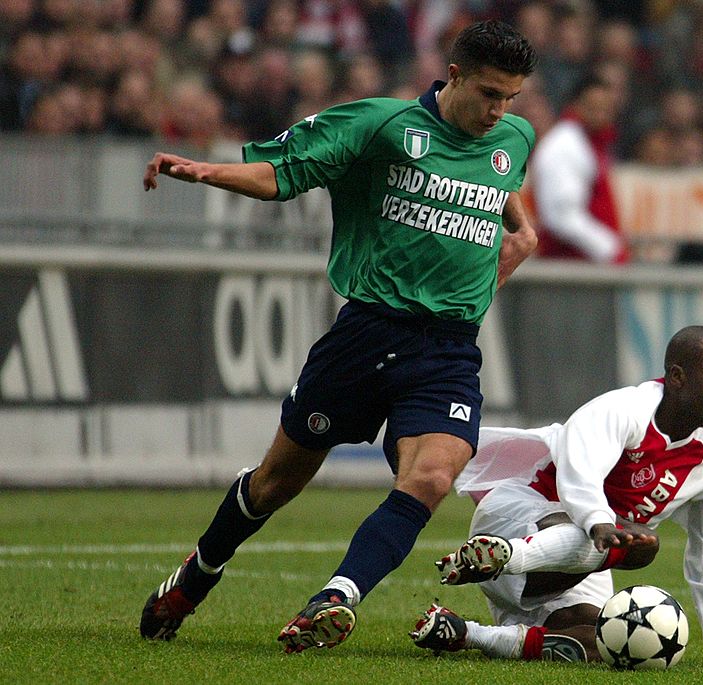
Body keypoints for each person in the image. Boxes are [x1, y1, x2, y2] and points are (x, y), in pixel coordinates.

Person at [137, 19, 538, 653]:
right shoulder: (380, 126)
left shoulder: (513, 137)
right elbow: (281, 173)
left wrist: (507, 258)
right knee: (275, 483)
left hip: (448, 350)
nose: (499, 110)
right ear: (453, 75)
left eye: (511, 97)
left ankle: (337, 596)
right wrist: (205, 172)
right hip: (366, 335)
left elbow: (512, 215)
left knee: (432, 479)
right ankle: (197, 573)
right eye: (490, 92)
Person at [409, 326, 703, 668]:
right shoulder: (622, 410)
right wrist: (596, 520)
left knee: (615, 644)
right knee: (640, 544)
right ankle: (497, 555)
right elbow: (578, 473)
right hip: (519, 519)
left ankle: (467, 634)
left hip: (578, 562)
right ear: (678, 377)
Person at [530, 72, 628, 263]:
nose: (602, 114)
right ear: (576, 105)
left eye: (607, 109)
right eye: (594, 107)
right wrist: (610, 249)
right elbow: (561, 216)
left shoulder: (589, 143)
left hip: (585, 263)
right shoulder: (564, 146)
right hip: (570, 267)